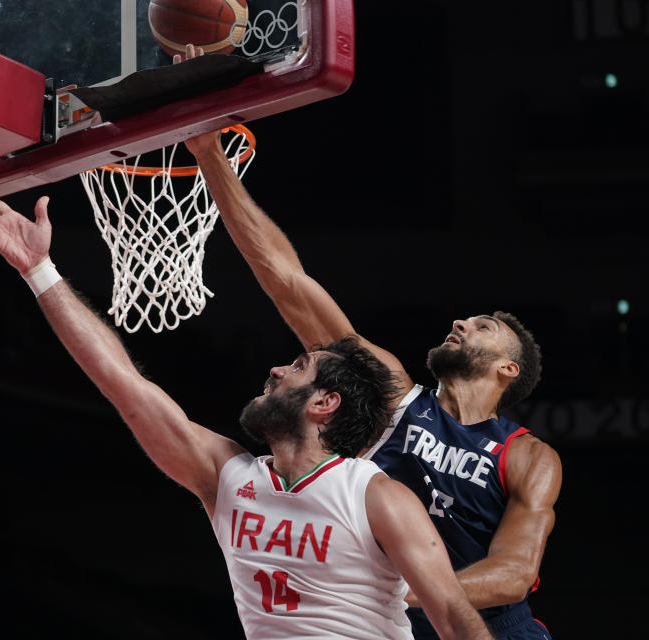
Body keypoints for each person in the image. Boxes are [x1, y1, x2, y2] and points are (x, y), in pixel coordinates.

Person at [0, 192, 494, 640]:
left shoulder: (375, 495)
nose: (277, 369)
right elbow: (123, 383)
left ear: (324, 403)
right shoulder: (229, 477)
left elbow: (451, 616)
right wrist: (39, 270)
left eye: (299, 366)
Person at [176, 44, 562, 640]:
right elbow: (289, 284)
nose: (461, 324)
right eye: (466, 319)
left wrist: (411, 582)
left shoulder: (527, 456)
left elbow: (513, 572)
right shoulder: (392, 396)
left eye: (482, 327)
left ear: (508, 369)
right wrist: (208, 154)